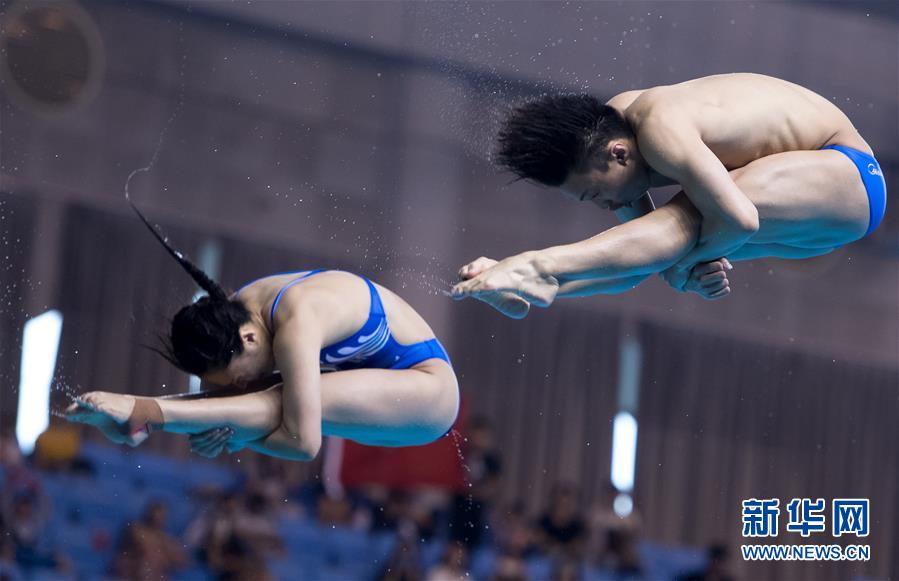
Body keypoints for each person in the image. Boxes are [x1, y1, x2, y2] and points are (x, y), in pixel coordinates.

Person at [451, 73, 887, 316]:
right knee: (670, 241)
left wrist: (686, 267)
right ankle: (540, 286)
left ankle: (537, 267)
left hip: (848, 176)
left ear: (618, 154)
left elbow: (740, 220)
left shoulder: (659, 129)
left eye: (593, 194)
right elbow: (646, 253)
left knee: (689, 223)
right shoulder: (616, 129)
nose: (606, 206)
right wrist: (679, 268)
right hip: (803, 209)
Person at [65, 202, 459, 461]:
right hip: (372, 392)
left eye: (237, 377)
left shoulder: (296, 325)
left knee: (285, 401)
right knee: (262, 400)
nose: (239, 387)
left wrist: (238, 435)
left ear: (248, 339)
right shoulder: (240, 312)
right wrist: (217, 422)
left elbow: (304, 444)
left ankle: (145, 411)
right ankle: (141, 421)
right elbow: (224, 404)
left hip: (427, 397)